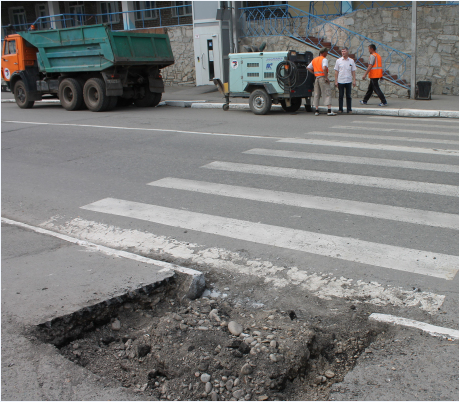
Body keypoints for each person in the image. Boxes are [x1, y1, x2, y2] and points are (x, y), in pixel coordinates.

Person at [307, 47, 336, 116]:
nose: (327, 53)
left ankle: (316, 110)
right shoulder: (324, 59)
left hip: (317, 78)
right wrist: (326, 77)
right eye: (326, 52)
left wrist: (314, 73)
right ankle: (329, 110)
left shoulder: (314, 60)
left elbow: (308, 67)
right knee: (327, 93)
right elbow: (324, 68)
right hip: (323, 78)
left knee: (317, 94)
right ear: (323, 53)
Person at [334, 47, 356, 114]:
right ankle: (340, 109)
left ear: (347, 52)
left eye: (344, 51)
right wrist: (336, 81)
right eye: (342, 51)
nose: (343, 52)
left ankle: (349, 109)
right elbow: (336, 71)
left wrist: (354, 80)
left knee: (348, 95)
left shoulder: (351, 61)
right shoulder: (338, 61)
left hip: (348, 80)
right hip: (341, 80)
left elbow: (353, 71)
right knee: (341, 95)